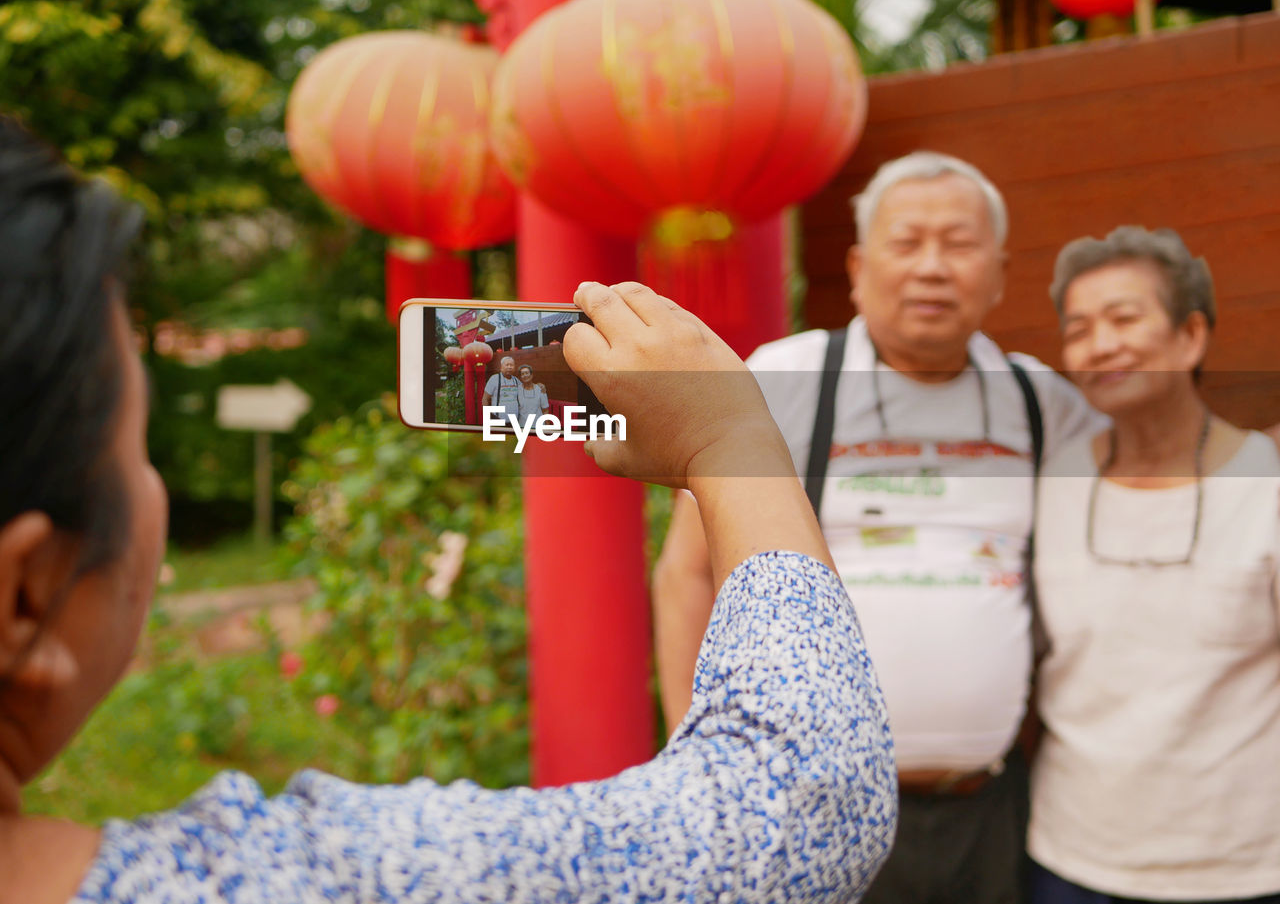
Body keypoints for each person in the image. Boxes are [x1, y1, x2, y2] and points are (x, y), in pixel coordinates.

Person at [0, 119, 896, 903]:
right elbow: (801, 808)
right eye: (137, 451)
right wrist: (732, 441)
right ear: (23, 597)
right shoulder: (272, 883)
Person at [654, 151, 1101, 904]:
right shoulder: (783, 378)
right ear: (859, 267)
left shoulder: (1042, 400)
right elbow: (687, 574)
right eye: (907, 242)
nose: (932, 267)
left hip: (989, 809)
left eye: (958, 244)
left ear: (997, 271)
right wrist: (686, 763)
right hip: (812, 806)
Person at [1028, 226, 1280, 904]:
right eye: (1078, 328)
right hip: (1068, 858)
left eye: (1124, 318)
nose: (1099, 344)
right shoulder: (1052, 481)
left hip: (1241, 870)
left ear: (1190, 335)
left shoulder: (1267, 482)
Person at [482, 355, 521, 420]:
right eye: (507, 365)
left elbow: (526, 387)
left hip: (514, 420)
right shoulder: (494, 379)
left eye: (511, 365)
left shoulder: (516, 380)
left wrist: (539, 386)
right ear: (501, 367)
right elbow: (485, 399)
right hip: (497, 418)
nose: (509, 367)